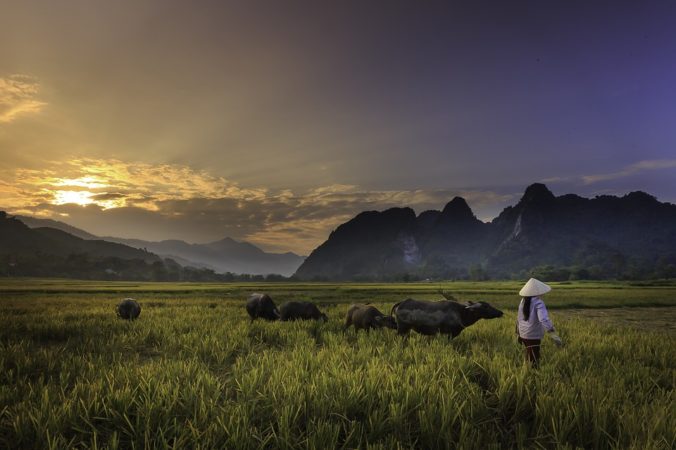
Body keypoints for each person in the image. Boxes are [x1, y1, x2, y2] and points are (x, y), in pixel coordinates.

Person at [515, 278, 563, 367]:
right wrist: (554, 335)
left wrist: (518, 333)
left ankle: (526, 372)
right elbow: (544, 320)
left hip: (523, 334)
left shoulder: (523, 301)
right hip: (533, 335)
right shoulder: (538, 303)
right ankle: (531, 375)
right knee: (534, 359)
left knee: (529, 354)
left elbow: (518, 318)